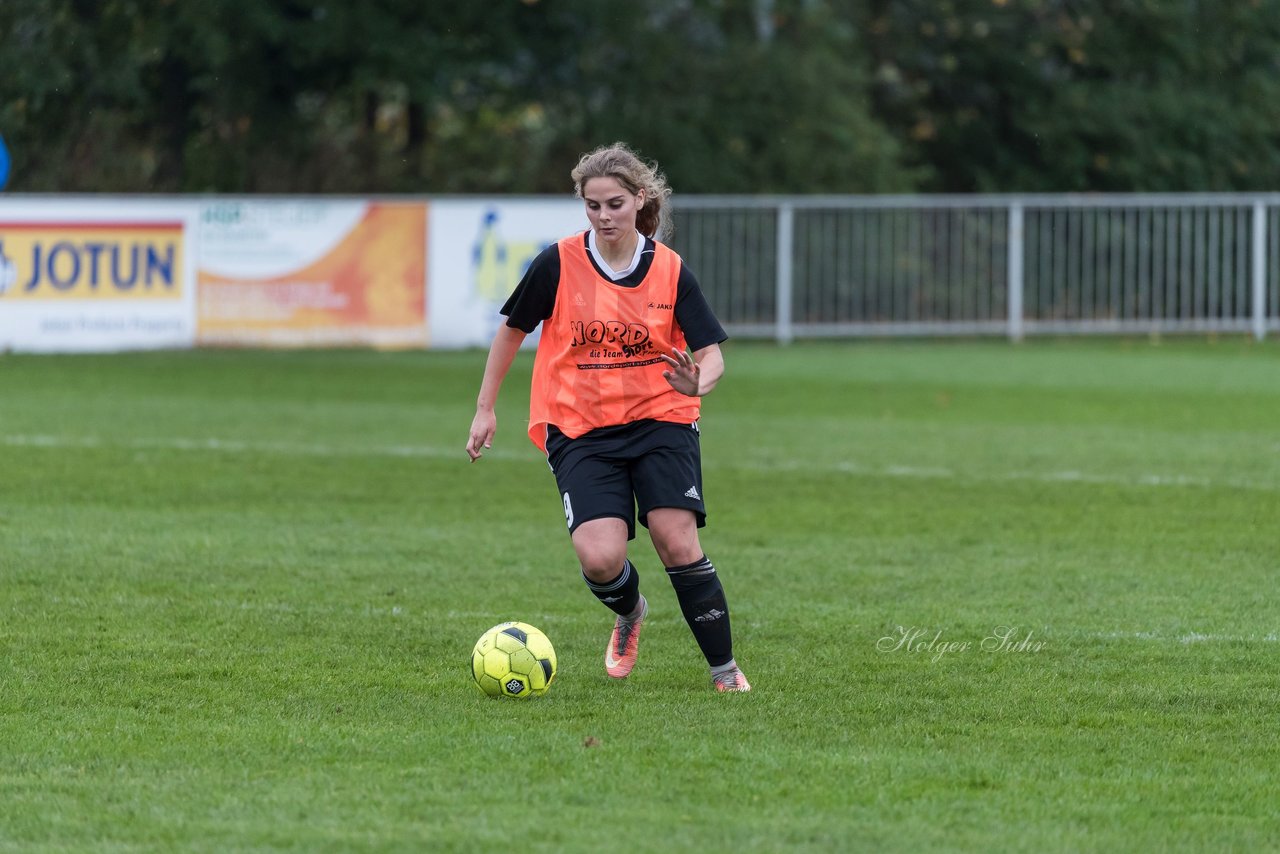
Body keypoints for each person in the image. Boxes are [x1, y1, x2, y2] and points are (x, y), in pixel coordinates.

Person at [465, 142, 750, 693]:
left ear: (639, 199)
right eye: (592, 205)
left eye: (615, 204)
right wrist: (484, 408)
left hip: (659, 417)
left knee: (676, 539)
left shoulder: (668, 270)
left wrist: (700, 382)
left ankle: (725, 671)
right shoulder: (558, 261)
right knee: (600, 559)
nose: (604, 216)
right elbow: (511, 331)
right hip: (579, 425)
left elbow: (711, 353)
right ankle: (630, 610)